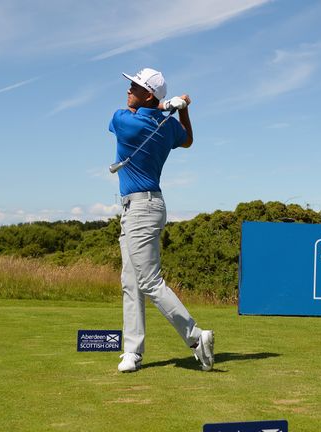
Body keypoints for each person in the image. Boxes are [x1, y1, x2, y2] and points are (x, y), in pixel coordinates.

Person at [108, 68, 213, 373]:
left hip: (142, 209)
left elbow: (126, 113)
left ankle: (196, 338)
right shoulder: (166, 127)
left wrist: (170, 108)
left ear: (148, 94)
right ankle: (132, 352)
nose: (129, 89)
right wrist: (183, 110)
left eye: (135, 86)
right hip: (141, 208)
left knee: (149, 282)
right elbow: (189, 140)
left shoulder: (125, 121)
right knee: (130, 282)